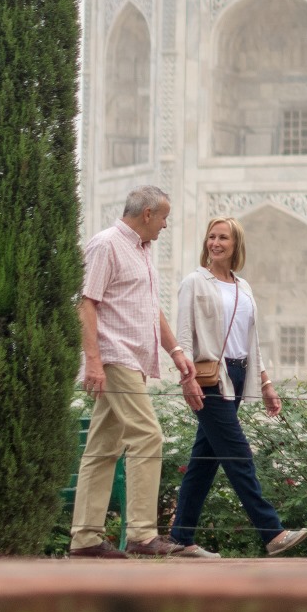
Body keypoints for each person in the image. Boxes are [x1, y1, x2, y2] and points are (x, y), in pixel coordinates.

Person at [169, 216, 307, 558]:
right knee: (238, 454)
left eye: (223, 238)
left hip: (237, 374)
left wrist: (265, 382)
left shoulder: (242, 287)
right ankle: (272, 532)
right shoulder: (194, 282)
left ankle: (179, 539)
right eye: (211, 237)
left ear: (236, 245)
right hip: (209, 379)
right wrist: (186, 378)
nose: (215, 243)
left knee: (204, 460)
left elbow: (252, 340)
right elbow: (184, 334)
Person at [72, 184, 198, 558]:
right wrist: (93, 360)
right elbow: (85, 304)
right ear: (147, 214)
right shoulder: (107, 244)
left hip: (133, 359)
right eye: (163, 218)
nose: (164, 226)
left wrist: (175, 351)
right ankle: (143, 535)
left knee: (102, 448)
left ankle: (85, 539)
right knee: (147, 435)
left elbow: (148, 309)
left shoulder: (141, 252)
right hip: (115, 357)